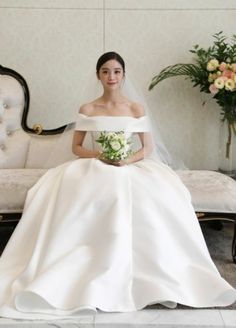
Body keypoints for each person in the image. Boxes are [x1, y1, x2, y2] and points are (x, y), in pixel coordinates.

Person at [0, 52, 235, 320]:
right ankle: (86, 260)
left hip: (129, 164)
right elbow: (76, 147)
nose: (111, 77)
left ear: (123, 75)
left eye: (116, 71)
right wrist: (99, 156)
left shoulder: (136, 109)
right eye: (105, 71)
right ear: (98, 75)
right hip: (96, 163)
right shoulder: (88, 109)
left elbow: (147, 148)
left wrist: (127, 159)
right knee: (86, 188)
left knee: (154, 194)